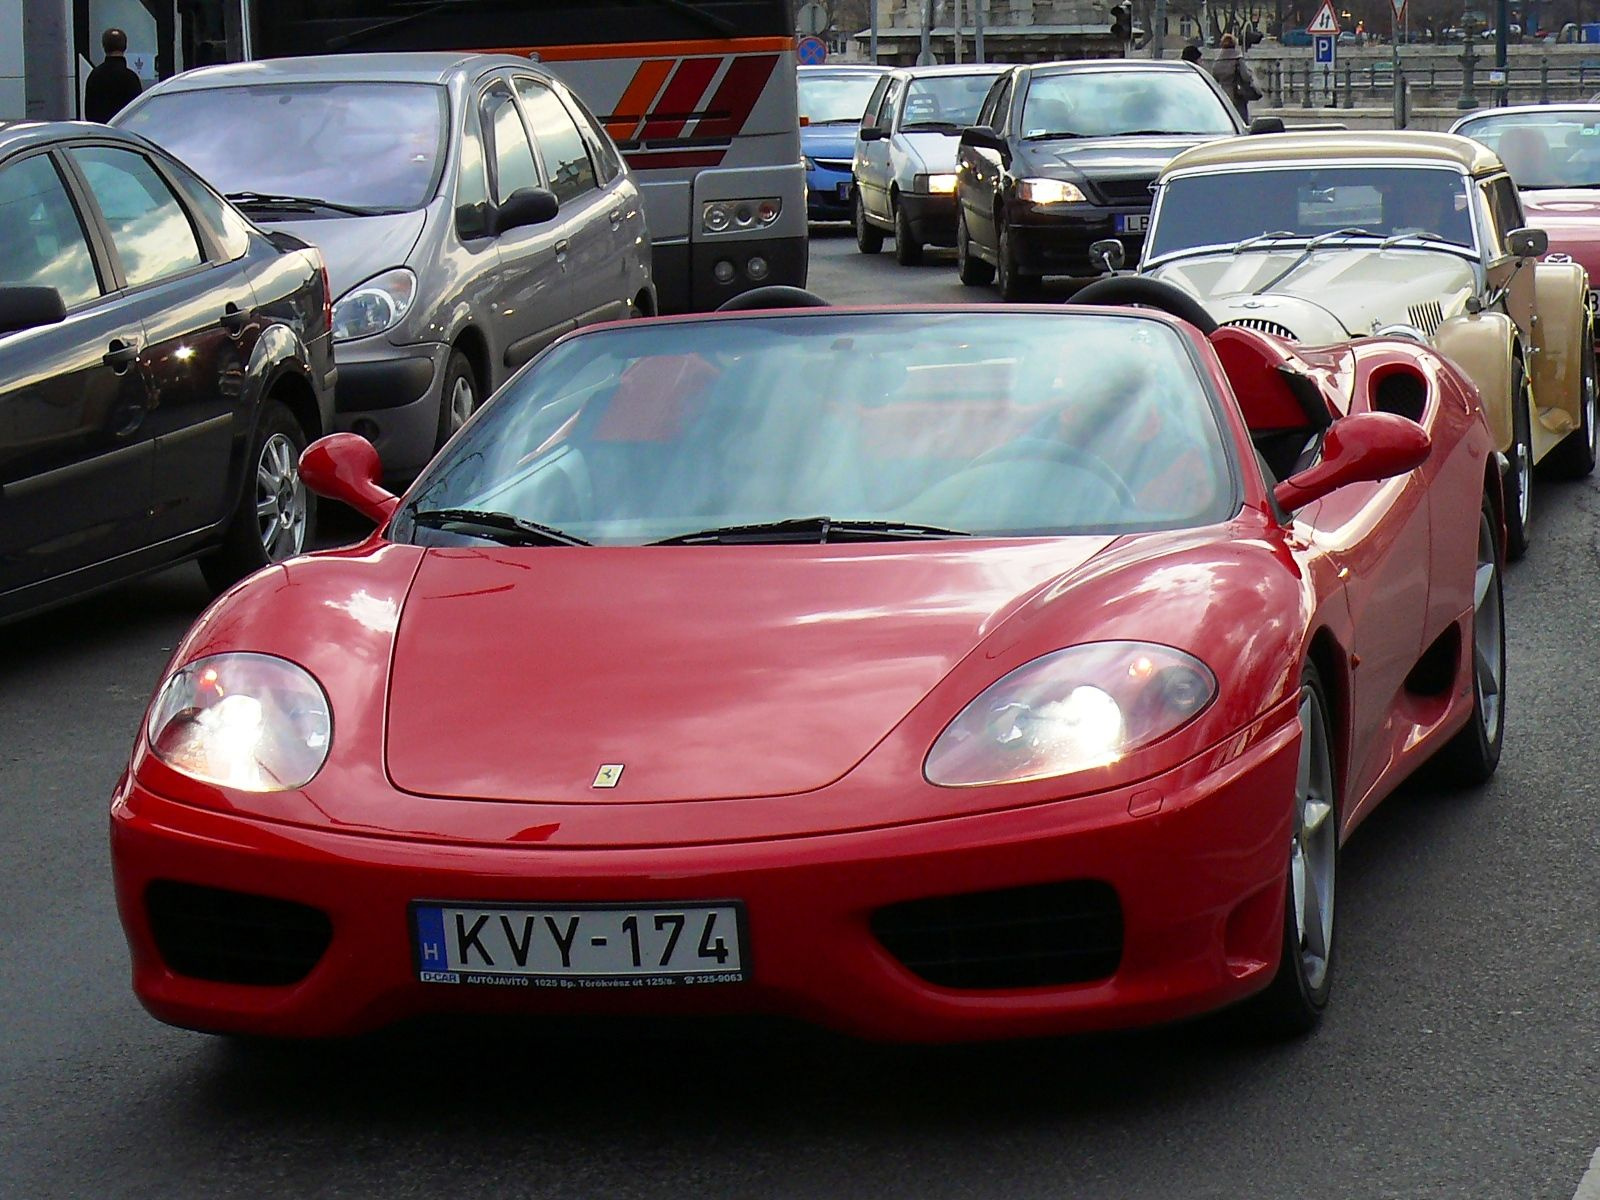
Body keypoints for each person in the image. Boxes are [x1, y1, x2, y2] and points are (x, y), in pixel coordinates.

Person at [84, 28, 143, 123]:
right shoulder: (131, 77)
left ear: (104, 46)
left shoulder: (94, 76)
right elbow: (137, 111)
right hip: (124, 132)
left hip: (102, 132)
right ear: (125, 47)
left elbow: (89, 112)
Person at [1209, 33, 1259, 120]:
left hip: (1223, 94)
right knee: (1241, 119)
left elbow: (1214, 79)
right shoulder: (1237, 59)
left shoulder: (1217, 61)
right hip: (1237, 94)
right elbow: (1246, 77)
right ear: (1234, 44)